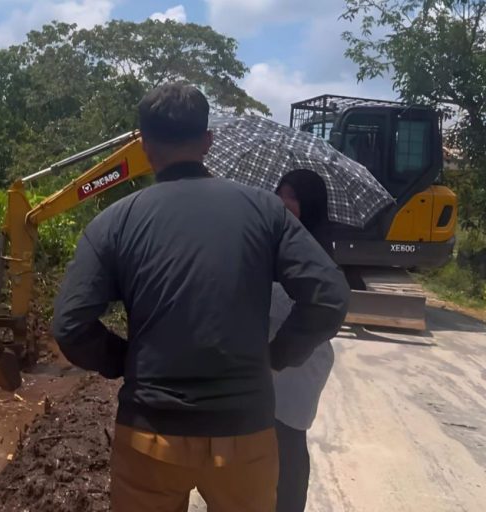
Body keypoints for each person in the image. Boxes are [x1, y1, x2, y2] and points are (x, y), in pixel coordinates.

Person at [51, 82, 350, 512]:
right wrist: (277, 355)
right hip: (245, 432)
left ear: (144, 145)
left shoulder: (114, 222)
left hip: (149, 434)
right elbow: (329, 297)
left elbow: (69, 324)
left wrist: (125, 360)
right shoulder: (266, 212)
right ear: (207, 141)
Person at [271, 170, 336, 512]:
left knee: (288, 438)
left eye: (293, 196)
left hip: (300, 360)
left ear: (309, 204)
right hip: (269, 353)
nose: (283, 202)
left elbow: (317, 310)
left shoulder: (318, 251)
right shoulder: (272, 240)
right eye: (280, 193)